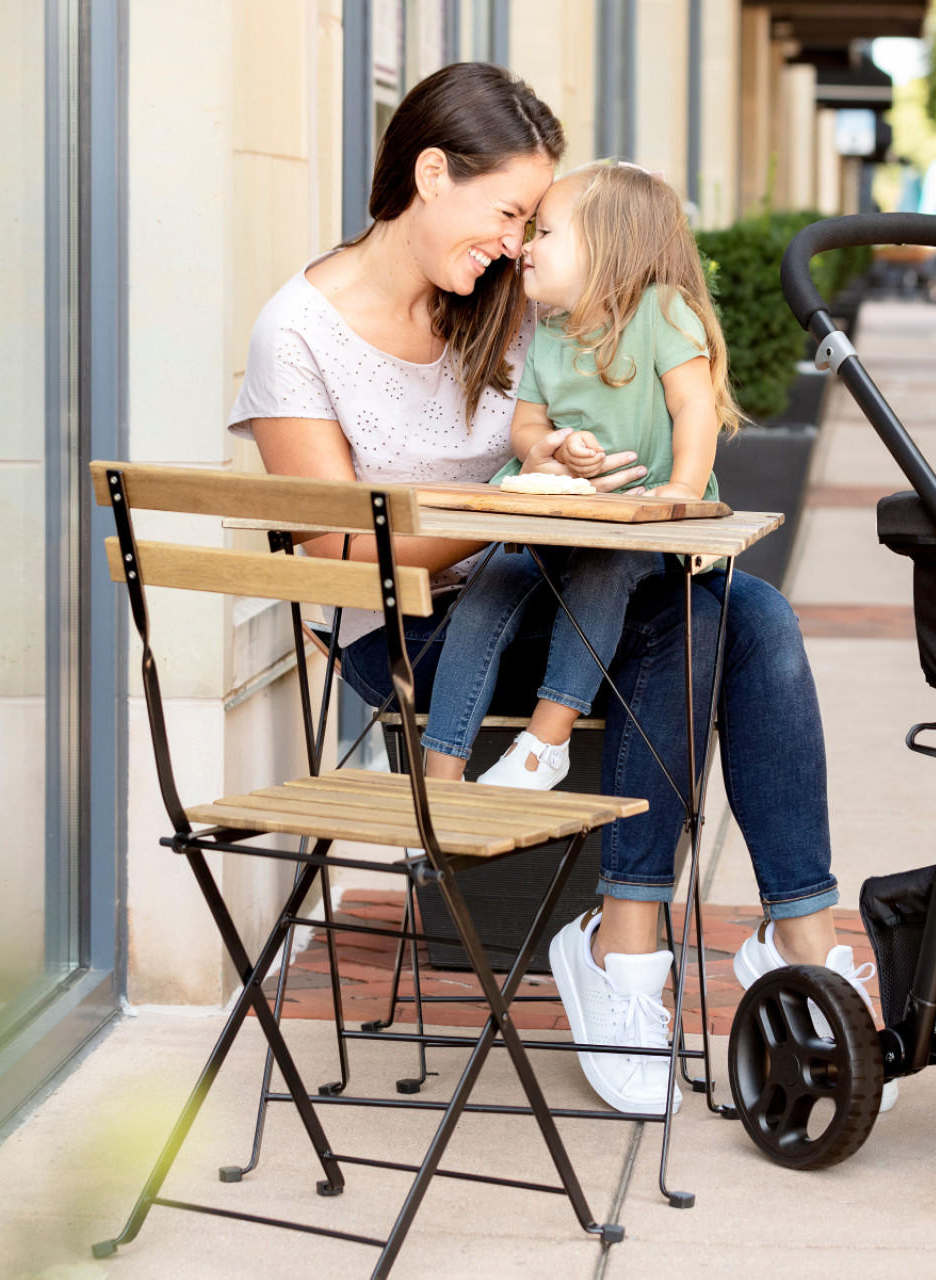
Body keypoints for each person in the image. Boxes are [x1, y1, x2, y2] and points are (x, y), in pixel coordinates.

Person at [225, 62, 892, 1119]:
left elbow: (607, 400)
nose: (515, 243)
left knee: (739, 608)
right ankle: (674, 941)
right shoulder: (298, 333)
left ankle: (750, 939)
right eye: (506, 213)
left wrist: (583, 472)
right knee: (714, 617)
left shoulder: (511, 301)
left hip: (561, 585)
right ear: (431, 174)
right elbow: (338, 552)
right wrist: (513, 507)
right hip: (418, 635)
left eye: (533, 223)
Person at [456, 160, 738, 797]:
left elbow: (696, 407)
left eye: (545, 231)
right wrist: (551, 446)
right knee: (492, 585)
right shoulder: (551, 331)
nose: (525, 246)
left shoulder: (662, 311)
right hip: (573, 525)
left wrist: (682, 492)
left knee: (602, 570)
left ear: (607, 247)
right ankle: (441, 771)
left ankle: (545, 743)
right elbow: (527, 427)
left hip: (647, 531)